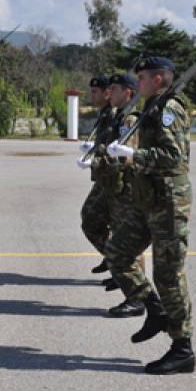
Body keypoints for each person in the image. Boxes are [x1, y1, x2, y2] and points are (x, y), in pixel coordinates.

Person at [105, 57, 195, 375]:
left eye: (142, 77)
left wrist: (134, 155)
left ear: (158, 79)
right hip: (147, 200)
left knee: (168, 276)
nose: (137, 82)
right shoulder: (151, 107)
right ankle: (155, 309)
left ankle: (182, 348)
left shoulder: (170, 109)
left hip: (169, 203)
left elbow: (174, 158)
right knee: (117, 253)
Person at [97, 74, 147, 318]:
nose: (110, 93)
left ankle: (137, 296)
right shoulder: (119, 115)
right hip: (117, 186)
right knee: (121, 238)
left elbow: (128, 156)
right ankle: (129, 284)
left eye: (114, 89)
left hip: (127, 187)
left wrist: (100, 162)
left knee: (130, 244)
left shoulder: (130, 119)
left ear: (127, 92)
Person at [76, 75, 116, 282]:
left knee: (94, 219)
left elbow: (115, 147)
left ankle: (119, 264)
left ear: (107, 93)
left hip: (113, 177)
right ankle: (115, 260)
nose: (91, 95)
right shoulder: (105, 113)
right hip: (103, 177)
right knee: (93, 219)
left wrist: (95, 155)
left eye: (95, 91)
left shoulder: (115, 114)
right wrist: (93, 148)